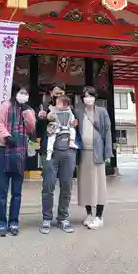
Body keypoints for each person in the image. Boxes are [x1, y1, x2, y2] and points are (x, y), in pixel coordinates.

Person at [0, 84, 36, 237]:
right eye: (21, 92)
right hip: (4, 149)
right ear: (15, 93)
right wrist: (6, 136)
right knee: (3, 191)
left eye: (26, 93)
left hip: (20, 151)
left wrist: (26, 109)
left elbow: (31, 127)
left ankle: (14, 222)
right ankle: (1, 223)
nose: (24, 95)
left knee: (17, 192)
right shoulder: (5, 106)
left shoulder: (28, 110)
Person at [40, 94, 78, 235]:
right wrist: (42, 117)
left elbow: (76, 125)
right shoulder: (46, 108)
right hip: (51, 153)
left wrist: (75, 124)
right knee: (48, 187)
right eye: (55, 92)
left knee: (67, 186)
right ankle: (47, 218)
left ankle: (63, 218)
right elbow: (37, 127)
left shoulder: (71, 111)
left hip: (68, 152)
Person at [76, 86, 113, 230]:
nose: (88, 98)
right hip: (83, 153)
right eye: (85, 96)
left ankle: (99, 216)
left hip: (97, 152)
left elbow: (108, 132)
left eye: (90, 95)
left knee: (99, 185)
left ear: (95, 97)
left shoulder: (102, 111)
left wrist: (107, 152)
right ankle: (89, 214)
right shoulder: (79, 111)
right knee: (85, 185)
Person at [36, 83, 66, 167]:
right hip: (47, 146)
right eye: (57, 93)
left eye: (61, 93)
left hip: (65, 148)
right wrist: (41, 118)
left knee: (64, 177)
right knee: (48, 174)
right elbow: (38, 129)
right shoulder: (44, 107)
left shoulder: (70, 107)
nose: (59, 95)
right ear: (51, 93)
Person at [46, 95, 77, 161]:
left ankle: (71, 142)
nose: (56, 105)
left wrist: (73, 123)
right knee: (51, 137)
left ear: (65, 105)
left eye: (58, 104)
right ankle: (49, 152)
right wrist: (51, 116)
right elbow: (49, 116)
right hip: (56, 127)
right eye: (56, 104)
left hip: (67, 128)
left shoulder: (69, 111)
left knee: (73, 131)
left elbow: (72, 119)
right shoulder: (54, 110)